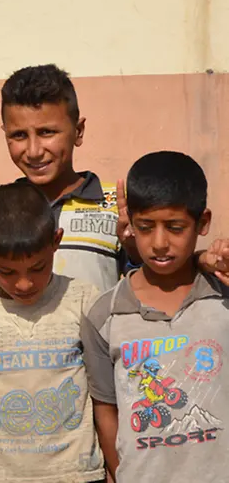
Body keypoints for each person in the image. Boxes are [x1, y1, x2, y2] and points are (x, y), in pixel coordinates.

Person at [82, 151, 229, 482]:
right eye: (145, 227)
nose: (159, 243)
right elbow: (106, 409)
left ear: (203, 222)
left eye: (175, 227)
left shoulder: (222, 297)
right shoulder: (105, 314)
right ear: (130, 225)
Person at [0, 182, 104, 483]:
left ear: (56, 241)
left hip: (78, 475)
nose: (24, 284)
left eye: (38, 267)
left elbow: (104, 399)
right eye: (6, 271)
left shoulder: (83, 299)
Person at [0, 65, 125, 294]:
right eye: (19, 135)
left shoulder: (114, 207)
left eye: (47, 133)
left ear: (78, 131)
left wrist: (136, 253)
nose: (33, 151)